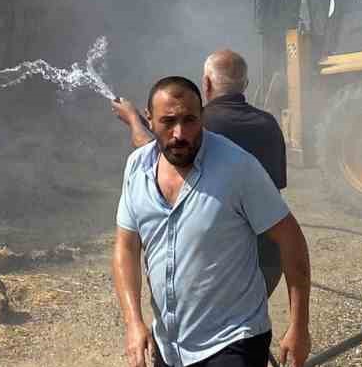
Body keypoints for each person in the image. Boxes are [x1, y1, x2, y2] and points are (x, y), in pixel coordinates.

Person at [113, 76, 311, 367]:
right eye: (168, 121)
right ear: (149, 120)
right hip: (171, 347)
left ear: (202, 117)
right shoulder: (137, 169)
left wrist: (299, 326)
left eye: (190, 120)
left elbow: (291, 240)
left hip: (233, 341)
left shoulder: (237, 167)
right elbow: (126, 247)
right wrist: (133, 322)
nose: (180, 133)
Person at [111, 50, 287, 295]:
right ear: (245, 85)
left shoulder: (204, 126)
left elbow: (160, 156)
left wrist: (133, 120)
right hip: (267, 253)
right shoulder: (268, 124)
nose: (180, 132)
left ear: (206, 83)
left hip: (217, 258)